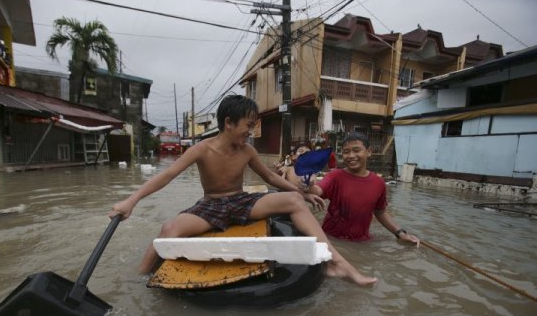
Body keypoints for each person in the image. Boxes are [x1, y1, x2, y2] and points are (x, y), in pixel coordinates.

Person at [109, 95, 377, 286]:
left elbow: (270, 176)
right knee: (169, 230)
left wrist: (304, 193)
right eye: (248, 125)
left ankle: (337, 262)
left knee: (295, 199)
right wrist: (131, 201)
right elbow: (166, 175)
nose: (251, 132)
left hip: (241, 202)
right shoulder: (202, 149)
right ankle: (137, 281)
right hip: (210, 206)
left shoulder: (247, 150)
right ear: (229, 122)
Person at [307, 132, 420, 245]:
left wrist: (400, 233)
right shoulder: (335, 176)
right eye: (346, 152)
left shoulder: (378, 183)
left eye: (356, 150)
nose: (351, 156)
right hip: (331, 240)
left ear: (369, 152)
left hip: (361, 242)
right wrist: (308, 182)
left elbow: (380, 212)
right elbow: (317, 190)